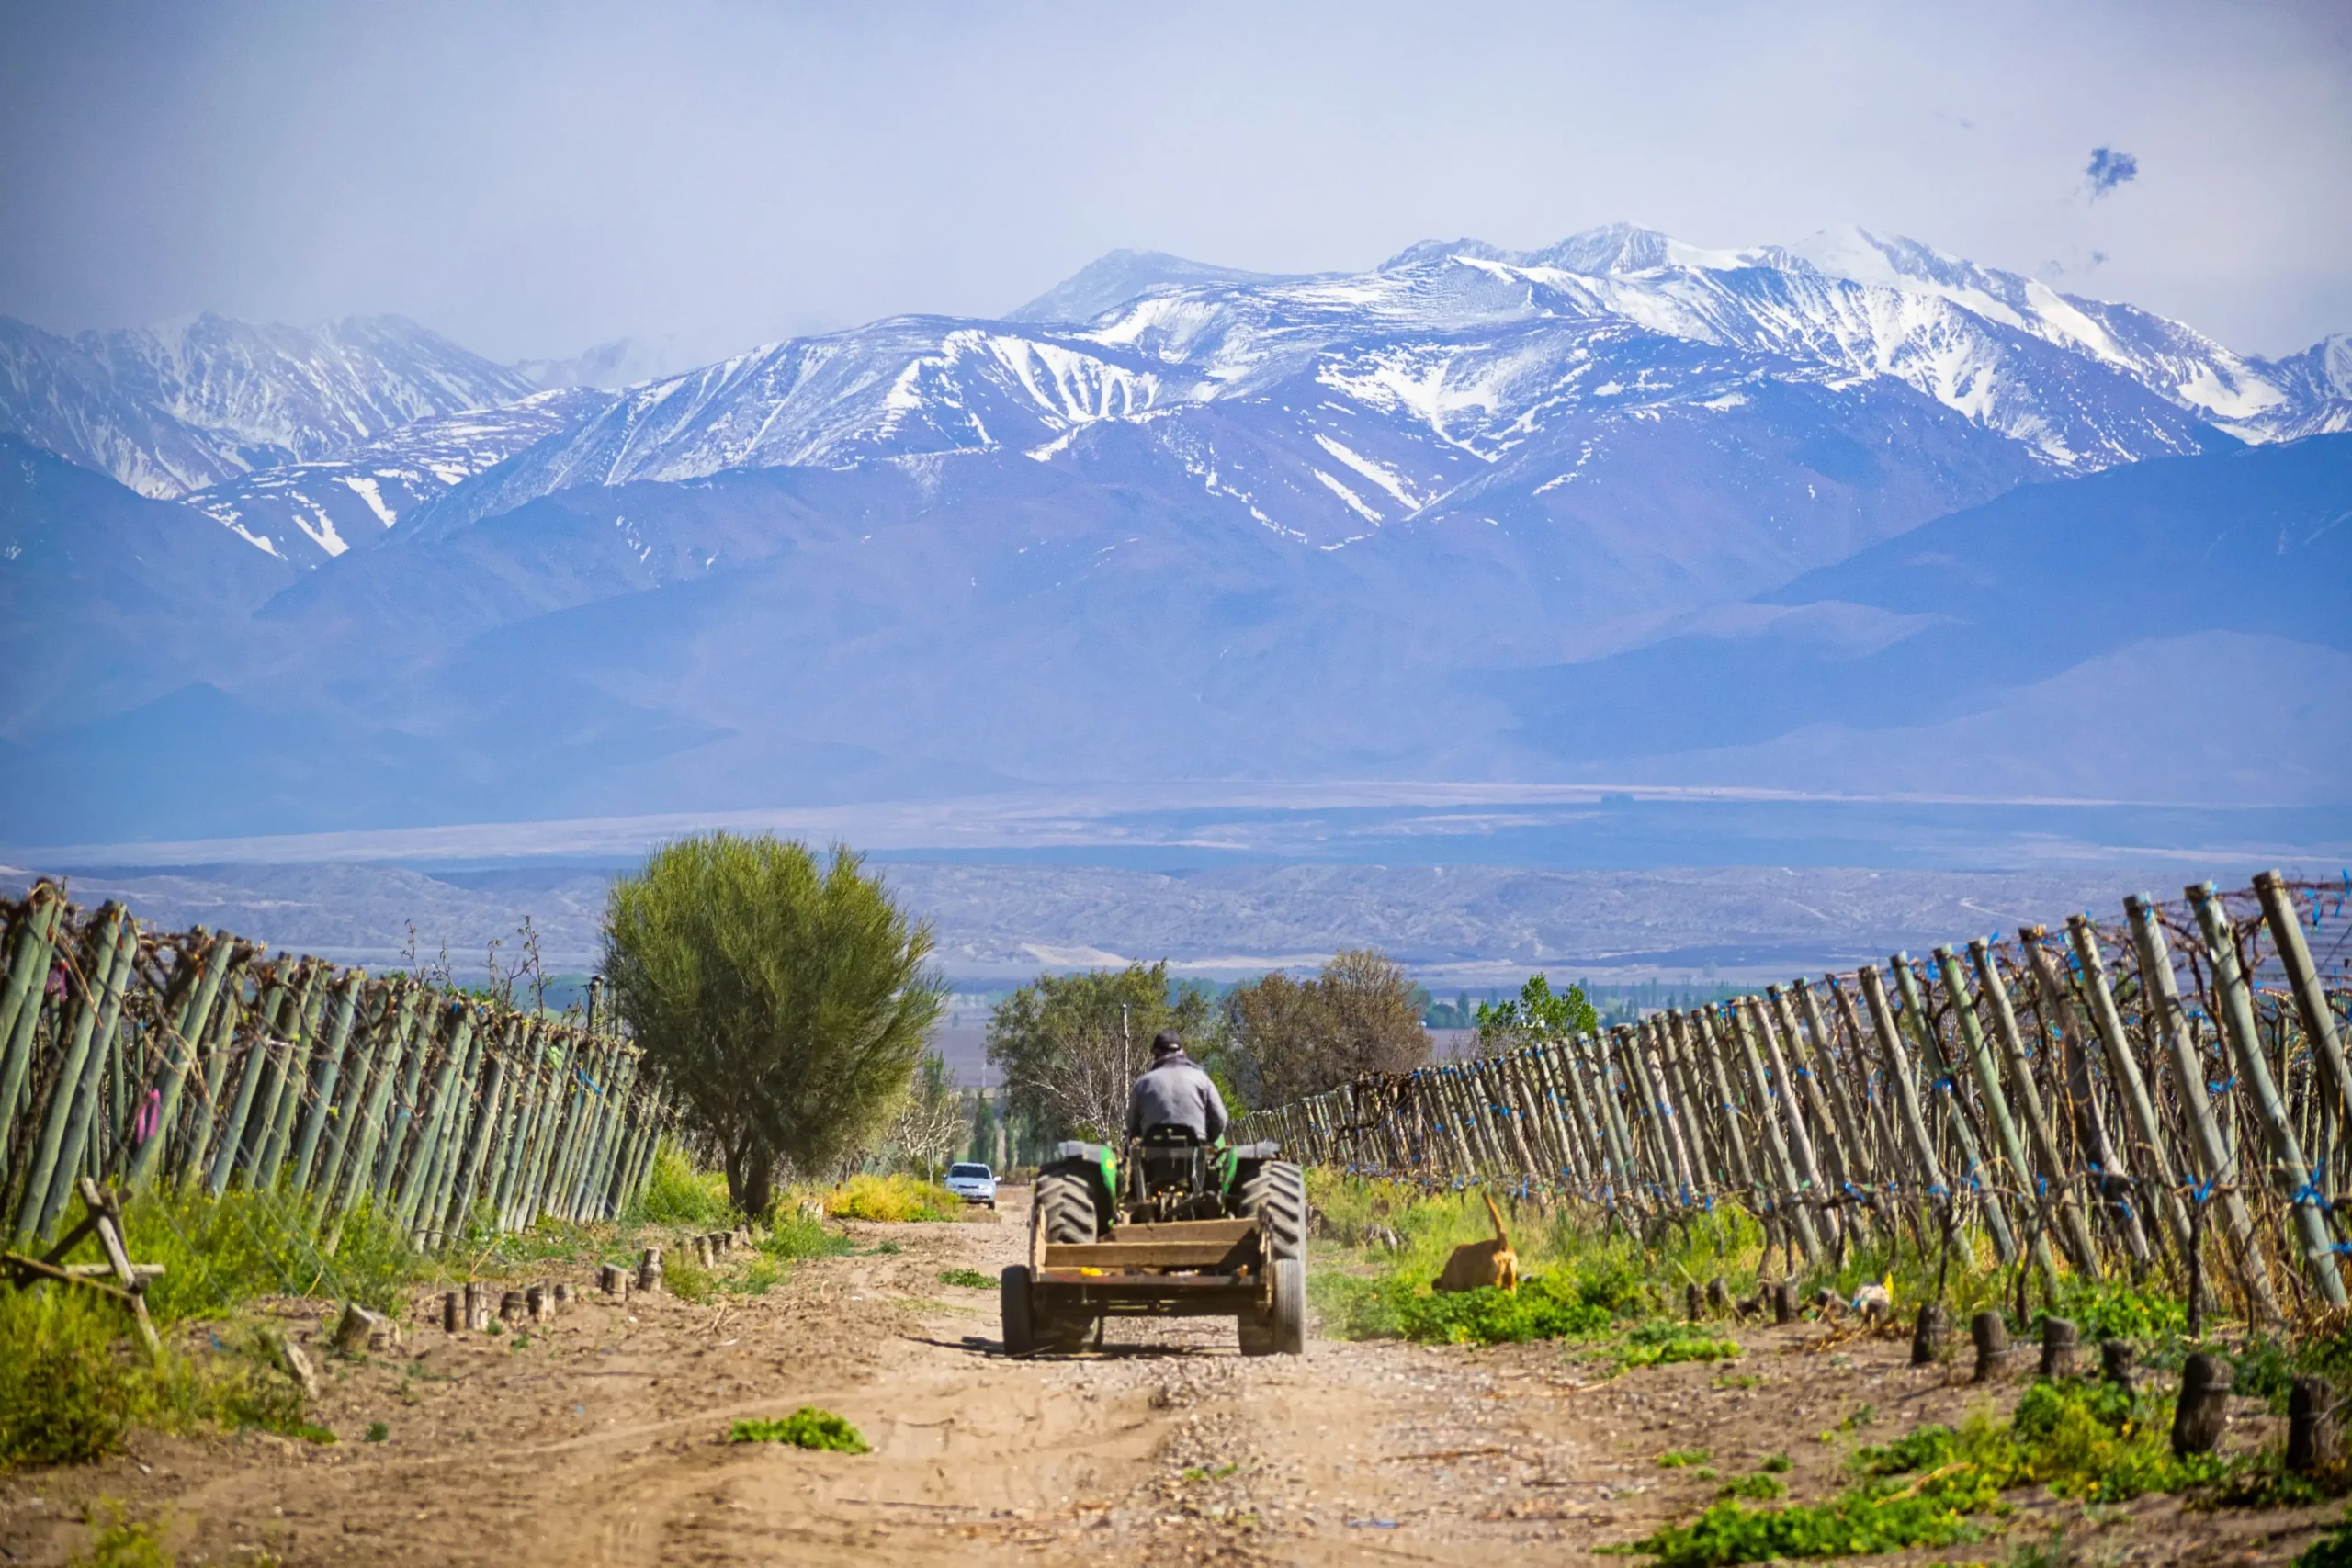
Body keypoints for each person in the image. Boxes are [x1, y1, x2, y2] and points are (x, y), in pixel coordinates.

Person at [1127, 1030, 1228, 1143]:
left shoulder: (1143, 1083)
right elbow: (1220, 1119)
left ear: (1155, 1053)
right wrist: (1208, 1138)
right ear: (1182, 1052)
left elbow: (1132, 1126)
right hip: (1195, 1153)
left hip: (1153, 1155)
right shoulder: (1201, 1079)